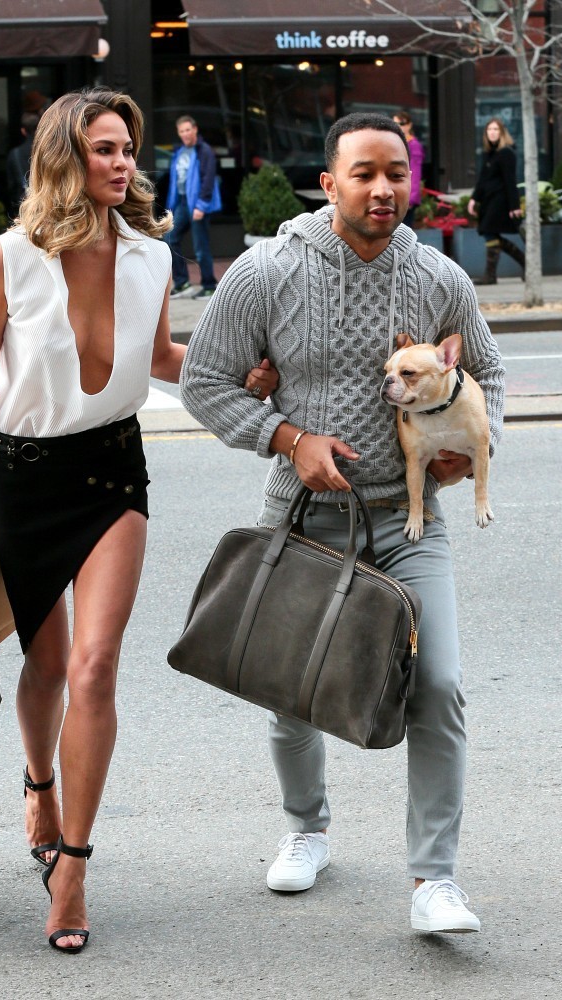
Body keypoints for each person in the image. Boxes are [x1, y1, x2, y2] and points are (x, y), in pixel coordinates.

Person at [0, 88, 276, 954]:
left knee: (95, 667)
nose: (122, 163)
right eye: (104, 149)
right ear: (64, 158)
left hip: (112, 472)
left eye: (127, 149)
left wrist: (238, 377)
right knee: (45, 667)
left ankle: (72, 865)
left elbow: (161, 357)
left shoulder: (150, 254)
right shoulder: (9, 257)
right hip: (23, 477)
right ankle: (38, 783)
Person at [180, 112, 505, 934]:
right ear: (328, 184)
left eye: (395, 172)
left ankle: (434, 880)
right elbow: (204, 381)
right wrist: (288, 438)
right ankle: (305, 828)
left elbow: (489, 374)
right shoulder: (265, 271)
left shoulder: (440, 279)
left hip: (405, 519)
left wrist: (469, 449)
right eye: (363, 173)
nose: (382, 188)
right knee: (292, 690)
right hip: (299, 517)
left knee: (437, 685)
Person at [164, 115, 219, 299]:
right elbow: (175, 181)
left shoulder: (205, 151)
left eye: (188, 129)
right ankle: (182, 283)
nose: (185, 134)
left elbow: (208, 180)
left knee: (200, 248)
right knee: (169, 238)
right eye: (181, 131)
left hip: (197, 204)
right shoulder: (179, 152)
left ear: (195, 129)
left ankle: (209, 286)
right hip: (182, 202)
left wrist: (201, 206)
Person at [468, 117, 524, 284]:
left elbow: (510, 180)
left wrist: (514, 205)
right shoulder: (489, 154)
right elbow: (483, 179)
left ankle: (491, 275)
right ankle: (522, 264)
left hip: (500, 200)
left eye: (495, 129)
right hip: (488, 200)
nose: (492, 133)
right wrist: (474, 198)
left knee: (488, 231)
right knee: (490, 233)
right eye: (489, 129)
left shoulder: (506, 153)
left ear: (502, 132)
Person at [5, 111, 41, 214]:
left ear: (23, 131)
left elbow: (11, 186)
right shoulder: (47, 151)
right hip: (45, 205)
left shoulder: (15, 154)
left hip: (23, 206)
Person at [392, 111, 423, 227]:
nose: (398, 127)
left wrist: (411, 198)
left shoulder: (413, 145)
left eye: (402, 123)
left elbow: (415, 172)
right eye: (395, 124)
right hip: (394, 194)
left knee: (403, 230)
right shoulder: (395, 142)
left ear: (409, 125)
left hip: (406, 196)